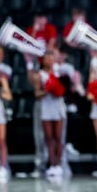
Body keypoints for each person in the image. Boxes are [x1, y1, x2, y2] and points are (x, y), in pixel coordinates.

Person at [28, 49, 67, 178]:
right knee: (49, 138)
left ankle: (59, 164)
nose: (50, 60)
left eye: (51, 58)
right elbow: (37, 94)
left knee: (58, 137)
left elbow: (65, 88)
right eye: (47, 58)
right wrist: (47, 90)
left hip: (58, 106)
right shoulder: (39, 74)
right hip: (46, 107)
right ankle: (52, 164)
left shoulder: (59, 71)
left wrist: (58, 88)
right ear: (43, 60)